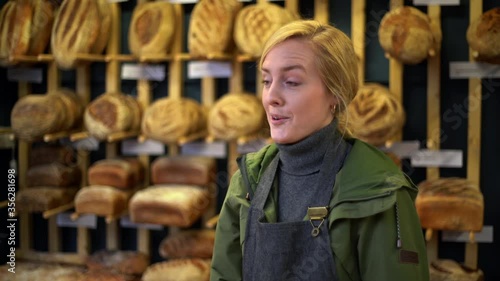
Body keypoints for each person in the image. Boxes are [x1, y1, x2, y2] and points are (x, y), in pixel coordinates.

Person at [210, 20, 429, 281]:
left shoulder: (380, 191)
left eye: (291, 82)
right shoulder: (247, 182)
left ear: (335, 93)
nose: (271, 97)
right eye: (267, 80)